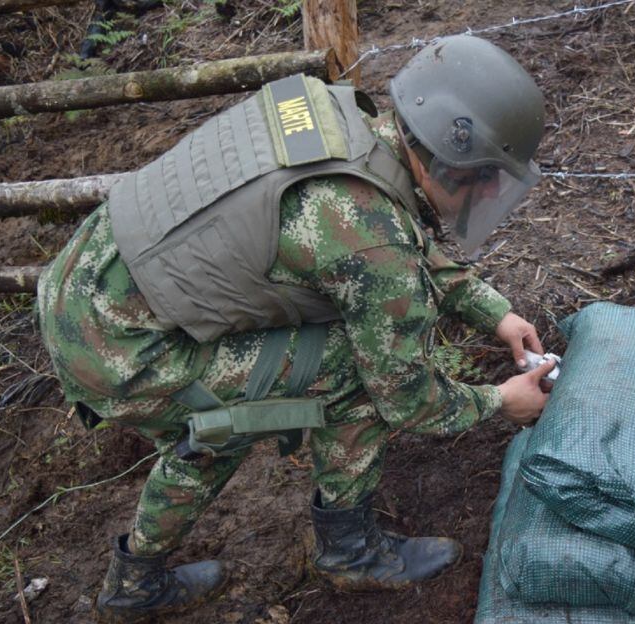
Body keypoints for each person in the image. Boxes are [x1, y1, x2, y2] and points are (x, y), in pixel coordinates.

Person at [37, 35, 556, 622]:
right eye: (488, 176)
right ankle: (348, 552)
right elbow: (408, 397)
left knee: (244, 407)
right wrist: (497, 401)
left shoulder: (342, 120)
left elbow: (364, 237)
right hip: (119, 348)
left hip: (86, 279)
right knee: (341, 378)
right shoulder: (371, 239)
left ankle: (137, 578)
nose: (489, 191)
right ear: (451, 155)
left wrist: (495, 312)